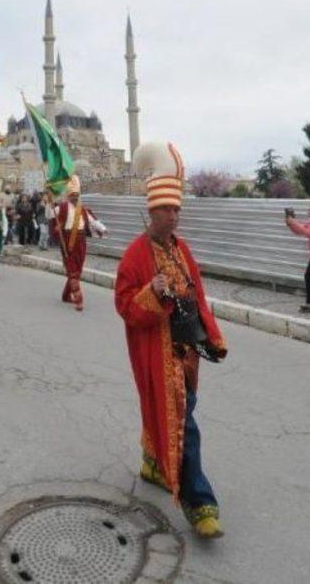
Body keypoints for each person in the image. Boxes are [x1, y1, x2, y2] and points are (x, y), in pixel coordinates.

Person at [115, 141, 227, 540]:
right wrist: (153, 292)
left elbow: (197, 295)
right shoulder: (134, 256)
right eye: (167, 209)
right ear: (152, 210)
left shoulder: (183, 250)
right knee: (184, 426)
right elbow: (126, 307)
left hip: (187, 356)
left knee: (167, 416)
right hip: (157, 355)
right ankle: (200, 504)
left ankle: (152, 465)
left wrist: (212, 337)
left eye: (178, 209)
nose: (174, 216)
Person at [47, 175, 107, 311]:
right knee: (72, 270)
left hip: (81, 241)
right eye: (73, 195)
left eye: (77, 195)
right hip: (68, 240)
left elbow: (92, 221)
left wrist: (102, 229)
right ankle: (78, 299)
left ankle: (66, 295)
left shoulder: (82, 209)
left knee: (77, 270)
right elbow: (50, 215)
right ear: (68, 195)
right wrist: (49, 203)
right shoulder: (62, 207)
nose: (75, 197)